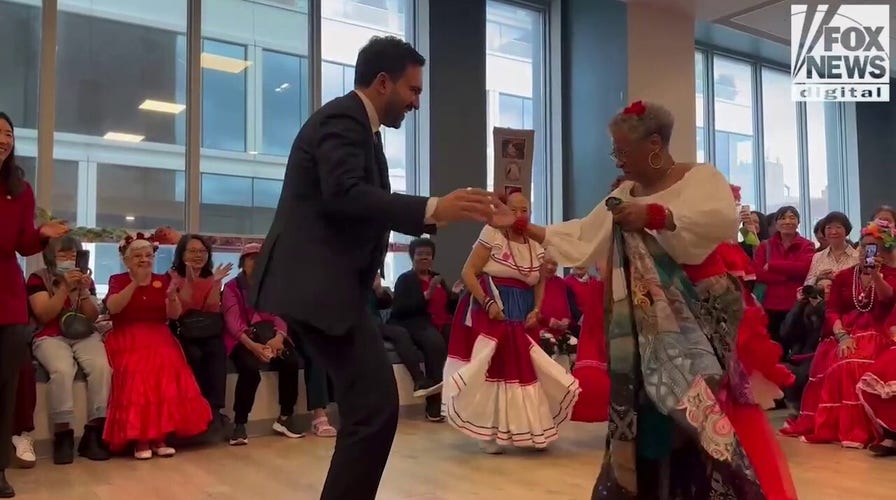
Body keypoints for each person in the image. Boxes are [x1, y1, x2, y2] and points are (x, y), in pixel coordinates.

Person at [488, 101, 796, 499]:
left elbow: (718, 219)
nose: (618, 160)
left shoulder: (699, 177)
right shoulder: (623, 193)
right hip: (646, 320)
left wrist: (655, 215)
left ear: (654, 143)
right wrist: (520, 225)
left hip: (703, 311)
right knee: (650, 414)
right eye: (615, 151)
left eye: (623, 150)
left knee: (697, 408)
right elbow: (584, 238)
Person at [250, 36, 496, 500]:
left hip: (329, 288)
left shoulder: (361, 130)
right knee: (374, 410)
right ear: (383, 82)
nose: (417, 103)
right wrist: (433, 208)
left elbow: (355, 204)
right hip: (318, 289)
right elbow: (344, 193)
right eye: (413, 90)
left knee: (371, 409)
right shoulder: (343, 120)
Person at [444, 192, 580, 454]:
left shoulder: (536, 242)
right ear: (505, 210)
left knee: (526, 369)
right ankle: (487, 432)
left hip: (523, 309)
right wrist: (488, 303)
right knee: (495, 367)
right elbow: (468, 272)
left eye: (525, 210)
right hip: (493, 306)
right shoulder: (492, 233)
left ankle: (529, 430)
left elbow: (540, 281)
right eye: (515, 209)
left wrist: (537, 309)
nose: (520, 215)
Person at [780, 219, 896, 448]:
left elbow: (888, 299)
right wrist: (842, 335)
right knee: (843, 361)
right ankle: (844, 428)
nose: (867, 252)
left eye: (873, 248)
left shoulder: (891, 274)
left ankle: (872, 429)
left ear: (882, 251)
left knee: (858, 363)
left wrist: (875, 276)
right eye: (864, 246)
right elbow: (832, 310)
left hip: (877, 330)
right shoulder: (844, 275)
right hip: (844, 331)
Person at [0, 111, 68, 497]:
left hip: (7, 298)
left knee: (6, 387)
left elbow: (22, 243)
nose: (3, 139)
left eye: (8, 133)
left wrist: (41, 234)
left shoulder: (20, 189)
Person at [103, 235, 212, 459]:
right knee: (138, 374)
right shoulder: (118, 279)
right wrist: (136, 282)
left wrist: (172, 297)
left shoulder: (162, 280)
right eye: (138, 256)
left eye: (148, 255)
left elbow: (172, 315)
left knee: (167, 373)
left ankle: (159, 437)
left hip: (158, 334)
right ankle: (141, 439)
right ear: (126, 260)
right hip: (128, 335)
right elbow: (114, 308)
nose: (144, 259)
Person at [27, 235, 111, 464]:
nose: (69, 258)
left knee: (101, 367)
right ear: (51, 257)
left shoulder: (86, 279)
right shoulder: (38, 278)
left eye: (73, 254)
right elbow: (43, 314)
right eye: (63, 254)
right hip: (50, 334)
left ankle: (94, 432)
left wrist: (83, 291)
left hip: (83, 332)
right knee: (62, 370)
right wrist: (64, 288)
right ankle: (63, 434)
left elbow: (93, 316)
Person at [170, 234, 232, 435]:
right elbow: (180, 311)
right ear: (182, 254)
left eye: (202, 251)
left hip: (204, 329)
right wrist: (189, 281)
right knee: (193, 354)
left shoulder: (210, 278)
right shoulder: (171, 276)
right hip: (181, 329)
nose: (198, 255)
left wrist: (215, 283)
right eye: (193, 251)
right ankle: (193, 407)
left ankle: (213, 409)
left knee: (217, 350)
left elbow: (211, 309)